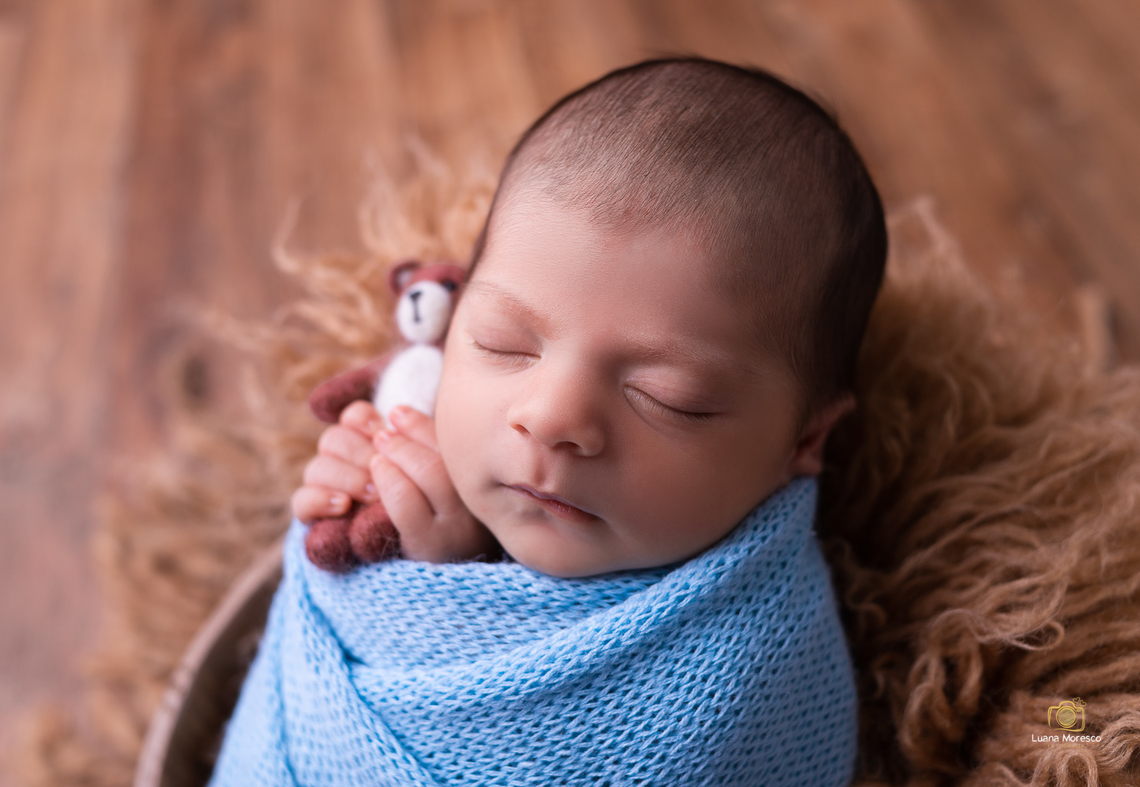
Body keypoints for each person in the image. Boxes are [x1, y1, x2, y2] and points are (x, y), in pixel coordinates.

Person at [213, 57, 886, 786]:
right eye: (503, 343)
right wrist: (387, 539)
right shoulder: (410, 421)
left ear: (805, 439)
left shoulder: (751, 675)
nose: (552, 419)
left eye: (667, 397)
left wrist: (448, 588)